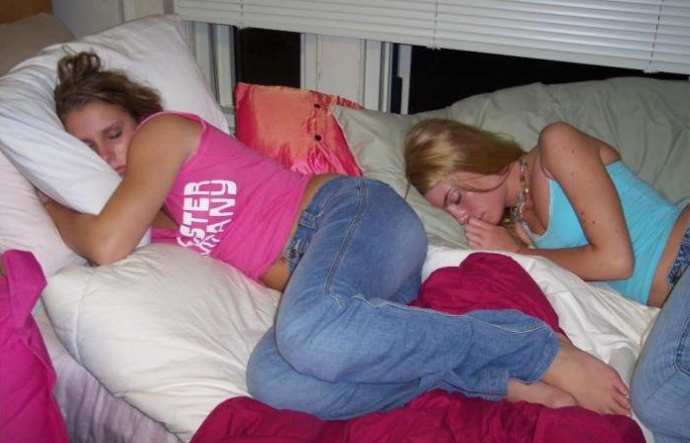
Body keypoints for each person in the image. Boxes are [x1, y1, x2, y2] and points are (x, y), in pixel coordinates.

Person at [44, 51, 630, 421]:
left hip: (349, 216)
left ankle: (530, 347)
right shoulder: (155, 217)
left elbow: (104, 244)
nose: (109, 155)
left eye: (113, 133)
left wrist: (47, 205)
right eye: (87, 149)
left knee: (307, 334)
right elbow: (118, 238)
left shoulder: (163, 133)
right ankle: (488, 378)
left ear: (138, 116)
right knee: (275, 382)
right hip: (349, 288)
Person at [404, 118, 690, 441]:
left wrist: (518, 253)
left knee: (657, 401)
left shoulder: (556, 145)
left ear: (469, 157)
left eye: (455, 199)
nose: (461, 216)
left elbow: (616, 261)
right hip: (672, 307)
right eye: (449, 214)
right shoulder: (520, 226)